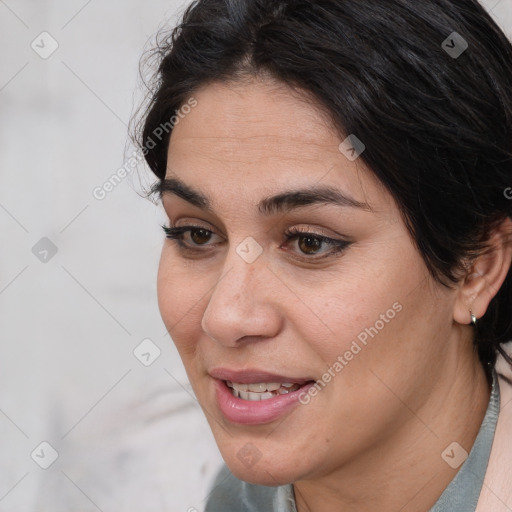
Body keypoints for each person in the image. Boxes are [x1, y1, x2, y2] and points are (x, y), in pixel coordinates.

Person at [134, 0, 512, 510]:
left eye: (310, 242)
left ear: (477, 266)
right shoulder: (236, 500)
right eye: (197, 235)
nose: (225, 318)